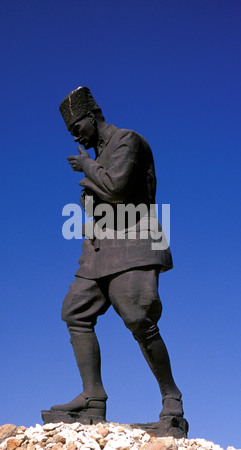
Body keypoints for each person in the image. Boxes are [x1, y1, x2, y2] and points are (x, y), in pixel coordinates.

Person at [51, 86, 184, 422]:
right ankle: (92, 397)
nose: (76, 134)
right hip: (100, 248)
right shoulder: (99, 155)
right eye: (71, 131)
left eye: (77, 126)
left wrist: (86, 168)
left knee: (139, 318)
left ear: (93, 115)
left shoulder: (127, 141)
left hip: (134, 242)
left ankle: (171, 397)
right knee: (75, 312)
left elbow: (117, 188)